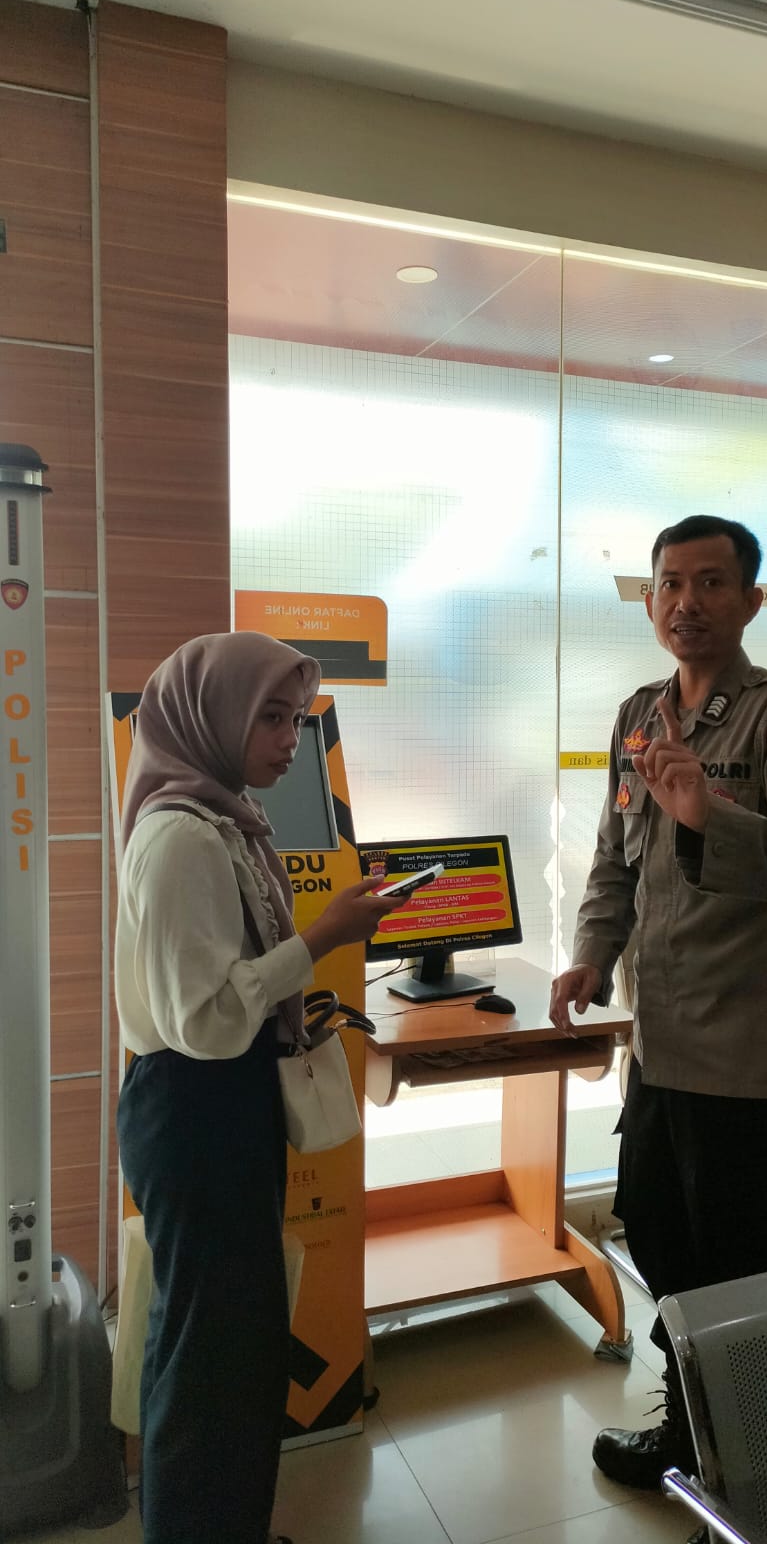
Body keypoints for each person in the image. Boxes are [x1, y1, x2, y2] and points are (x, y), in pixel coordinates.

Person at [550, 516, 767, 1509]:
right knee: (663, 1247)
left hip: (745, 1057)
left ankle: (756, 1479)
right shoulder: (639, 717)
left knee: (748, 1280)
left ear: (750, 601)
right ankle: (690, 1431)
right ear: (649, 601)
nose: (687, 602)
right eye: (670, 583)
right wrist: (590, 955)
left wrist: (707, 816)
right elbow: (614, 861)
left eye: (712, 582)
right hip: (661, 1049)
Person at [115, 631, 404, 1544]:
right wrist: (323, 939)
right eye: (271, 718)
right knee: (212, 1352)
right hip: (195, 1105)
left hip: (216, 1102)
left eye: (299, 719)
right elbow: (203, 1021)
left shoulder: (224, 819)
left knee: (229, 1342)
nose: (290, 740)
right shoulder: (182, 839)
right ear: (211, 718)